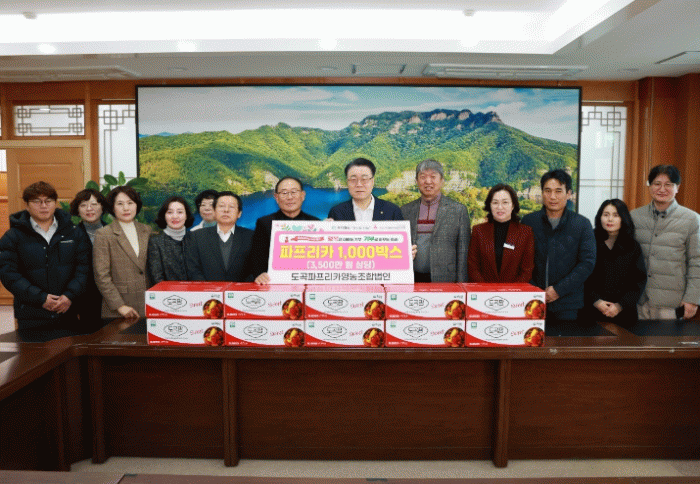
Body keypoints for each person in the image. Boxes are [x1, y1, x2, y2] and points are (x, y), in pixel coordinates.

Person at [0, 181, 90, 331]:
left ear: (55, 203)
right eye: (37, 201)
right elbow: (8, 273)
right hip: (31, 313)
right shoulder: (13, 236)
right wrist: (40, 298)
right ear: (27, 205)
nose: (43, 206)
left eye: (48, 201)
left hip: (67, 310)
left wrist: (69, 296)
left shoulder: (73, 232)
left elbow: (84, 268)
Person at [521, 169, 596, 323]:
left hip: (568, 303)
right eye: (548, 191)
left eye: (558, 191)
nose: (553, 196)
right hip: (532, 299)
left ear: (569, 194)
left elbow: (587, 263)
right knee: (532, 337)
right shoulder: (529, 222)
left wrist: (558, 290)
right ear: (542, 193)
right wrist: (536, 290)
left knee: (563, 338)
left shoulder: (582, 224)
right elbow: (521, 261)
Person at [631, 165, 700, 320]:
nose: (662, 189)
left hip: (672, 304)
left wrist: (692, 299)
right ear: (650, 186)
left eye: (668, 184)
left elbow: (697, 262)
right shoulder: (634, 217)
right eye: (657, 184)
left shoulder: (692, 220)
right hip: (639, 301)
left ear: (677, 187)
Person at [401, 159, 470, 282]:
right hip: (411, 280)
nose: (428, 181)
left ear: (442, 180)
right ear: (416, 181)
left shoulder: (458, 210)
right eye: (423, 177)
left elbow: (463, 253)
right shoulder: (405, 211)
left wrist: (462, 285)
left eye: (433, 177)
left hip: (446, 280)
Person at [93, 186, 153, 319]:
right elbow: (101, 275)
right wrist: (120, 306)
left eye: (130, 203)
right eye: (120, 204)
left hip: (147, 303)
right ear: (112, 207)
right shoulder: (104, 234)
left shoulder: (146, 230)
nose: (126, 208)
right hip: (119, 308)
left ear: (137, 205)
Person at [584, 199, 646, 326]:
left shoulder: (633, 246)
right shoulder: (589, 241)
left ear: (623, 218)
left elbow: (639, 281)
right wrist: (596, 301)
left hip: (624, 312)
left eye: (616, 215)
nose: (610, 219)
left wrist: (620, 305)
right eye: (606, 215)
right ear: (600, 217)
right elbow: (582, 276)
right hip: (592, 310)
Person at [250, 177, 320, 284]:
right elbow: (257, 257)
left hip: (307, 282)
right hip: (275, 284)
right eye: (284, 193)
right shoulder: (264, 223)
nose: (290, 197)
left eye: (294, 192)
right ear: (276, 197)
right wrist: (260, 274)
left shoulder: (315, 223)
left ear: (302, 195)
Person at [467, 183, 534, 283]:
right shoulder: (478, 231)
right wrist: (487, 289)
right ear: (489, 205)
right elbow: (473, 267)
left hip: (515, 291)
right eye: (495, 202)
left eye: (505, 202)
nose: (500, 207)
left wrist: (509, 290)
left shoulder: (525, 233)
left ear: (513, 205)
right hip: (483, 291)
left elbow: (527, 271)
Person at [186, 191, 253, 281]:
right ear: (214, 211)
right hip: (206, 289)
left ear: (239, 213)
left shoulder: (251, 236)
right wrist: (208, 288)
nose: (226, 210)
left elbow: (255, 269)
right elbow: (193, 270)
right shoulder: (196, 236)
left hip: (241, 289)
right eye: (221, 206)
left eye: (231, 207)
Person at [69, 188, 109, 328]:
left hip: (112, 297)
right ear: (77, 209)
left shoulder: (114, 232)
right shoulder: (70, 235)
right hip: (84, 299)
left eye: (94, 204)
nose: (89, 209)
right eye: (83, 205)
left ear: (102, 207)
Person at [327, 158, 403, 221]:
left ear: (372, 181)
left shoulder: (392, 211)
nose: (359, 184)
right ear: (347, 182)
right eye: (353, 179)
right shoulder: (336, 212)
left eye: (364, 179)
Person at [147, 196, 195, 285]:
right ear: (164, 216)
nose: (175, 216)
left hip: (197, 291)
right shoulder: (156, 242)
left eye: (180, 212)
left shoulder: (195, 238)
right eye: (170, 212)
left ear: (186, 215)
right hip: (168, 292)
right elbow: (157, 277)